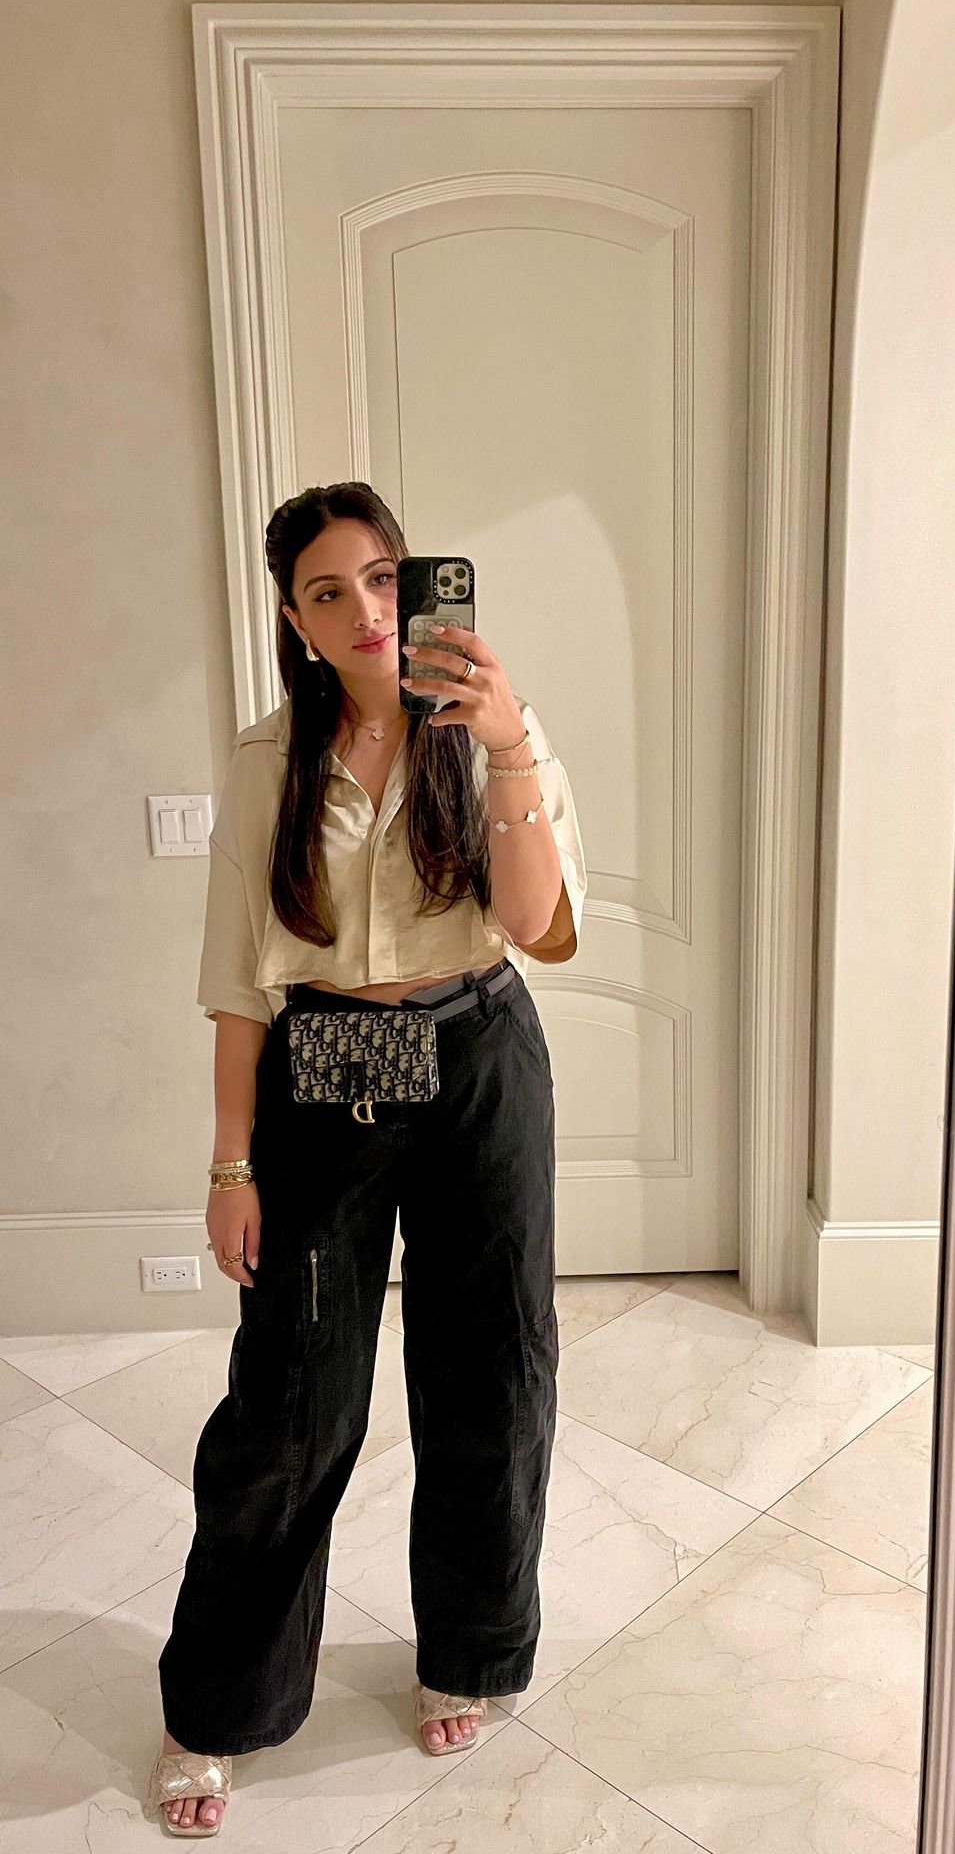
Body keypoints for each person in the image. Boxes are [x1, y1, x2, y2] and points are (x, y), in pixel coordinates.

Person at [146, 482, 587, 1835]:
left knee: (492, 1369)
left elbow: (539, 926)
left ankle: (471, 1650)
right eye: (327, 592)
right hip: (332, 1054)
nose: (365, 611)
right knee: (290, 1398)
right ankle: (220, 1702)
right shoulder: (267, 761)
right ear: (294, 618)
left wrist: (505, 746)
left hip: (478, 1048)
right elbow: (239, 978)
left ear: (416, 581)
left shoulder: (493, 727)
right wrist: (230, 1167)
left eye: (383, 578)